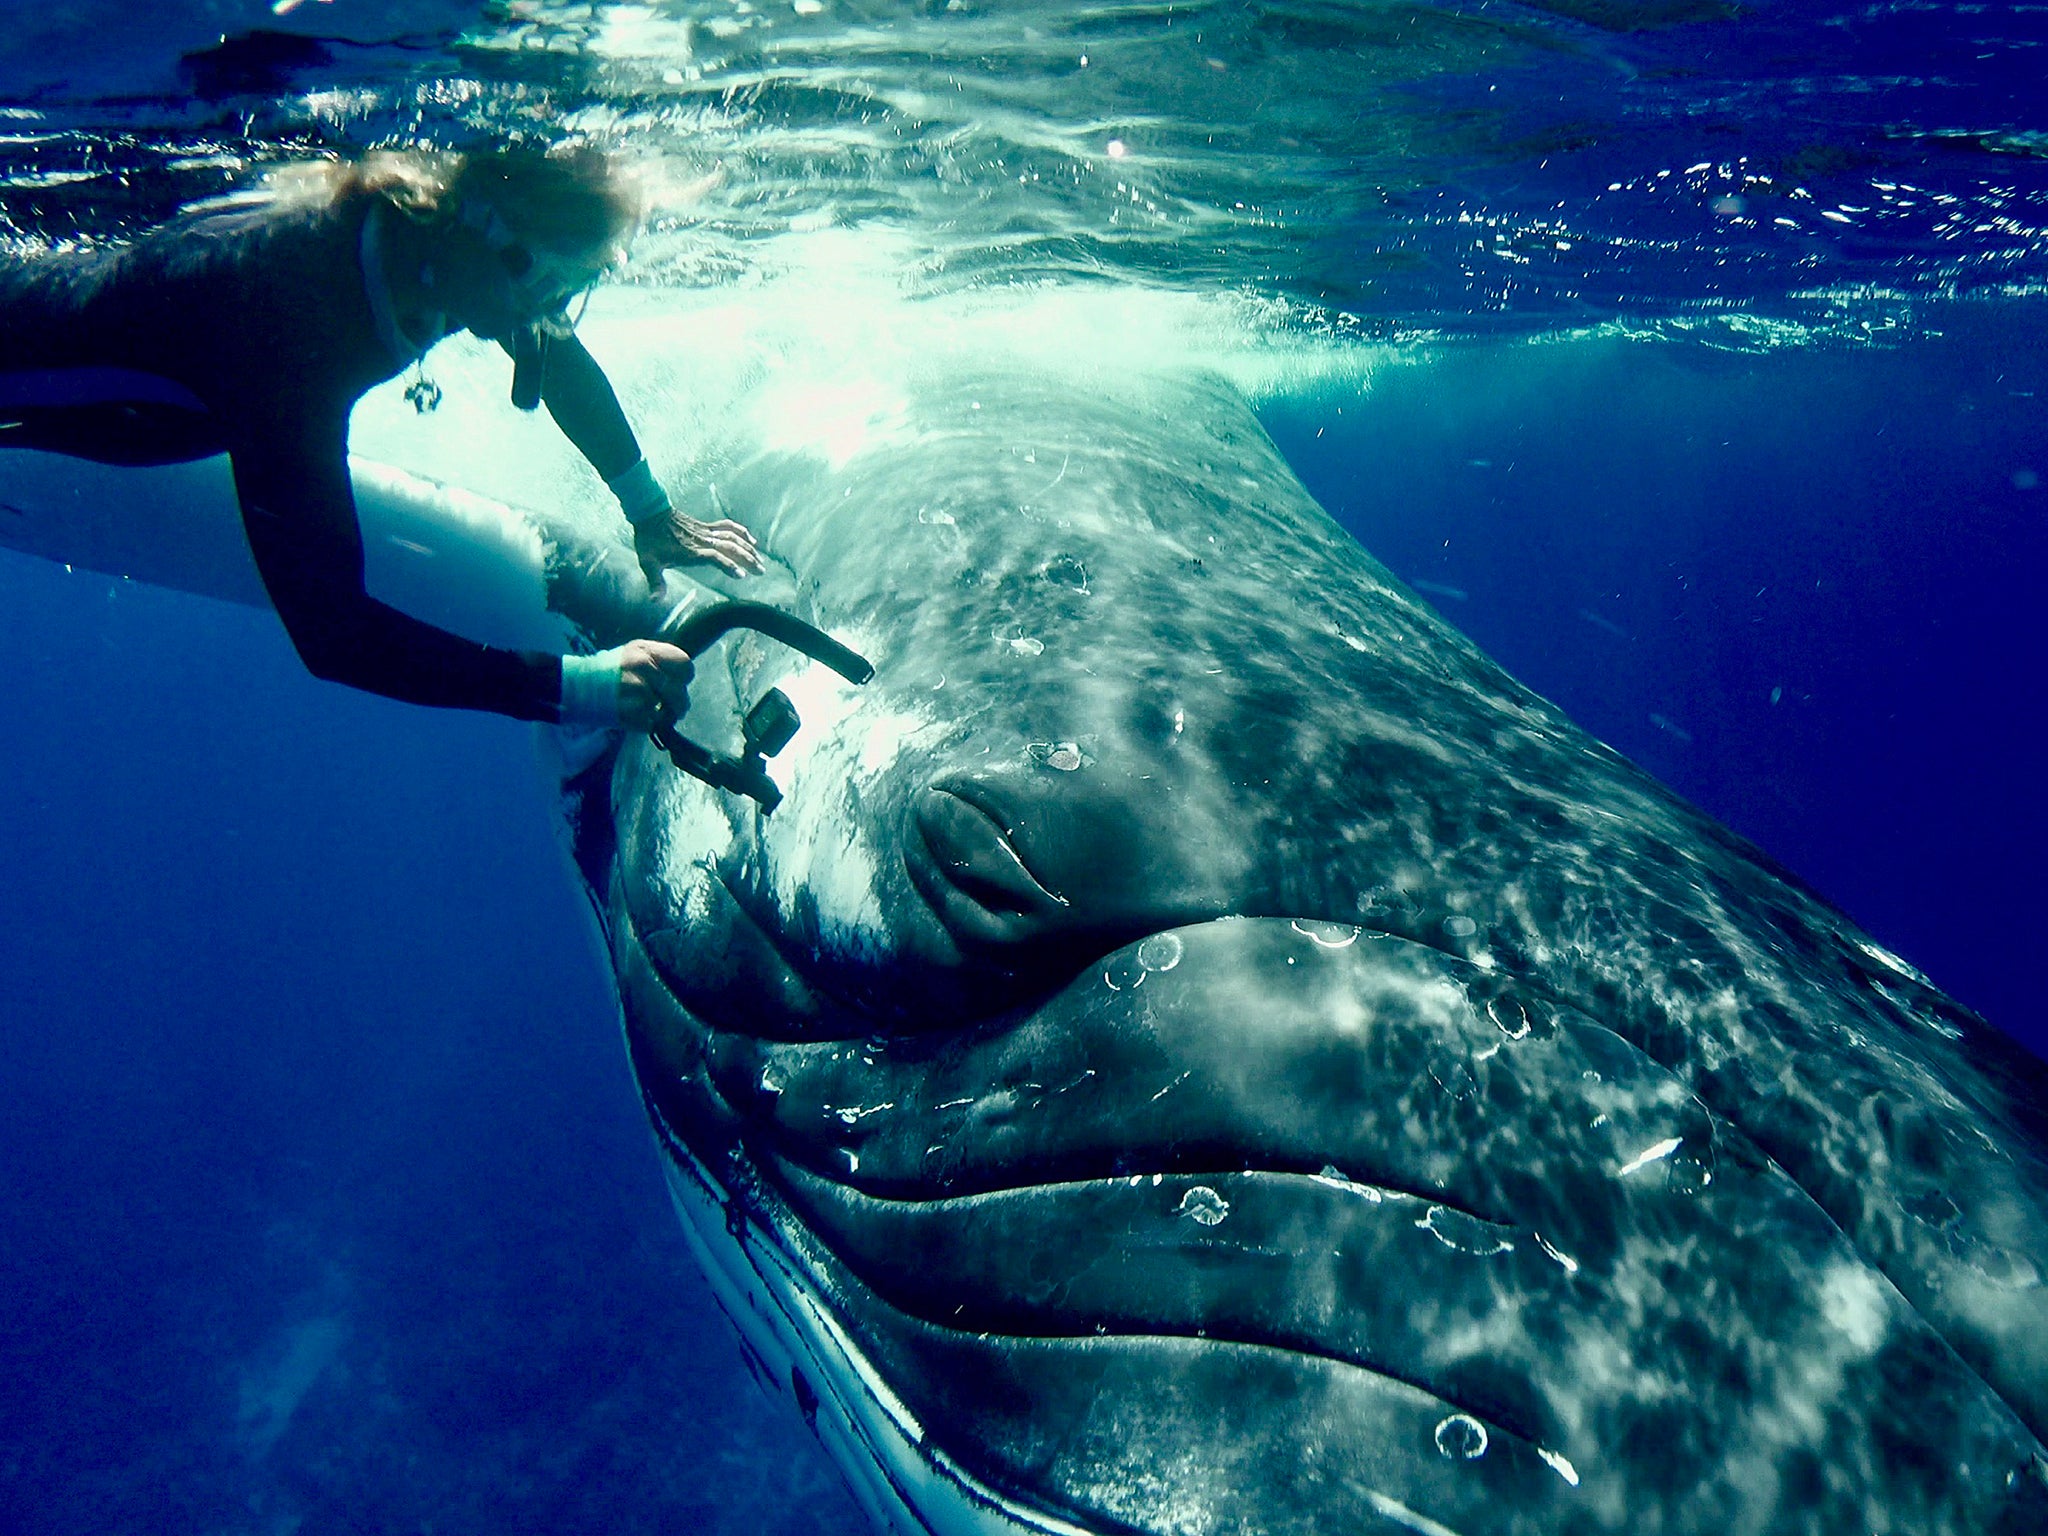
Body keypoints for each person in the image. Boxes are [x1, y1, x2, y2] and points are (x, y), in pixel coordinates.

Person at [0, 143, 761, 730]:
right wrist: (576, 686)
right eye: (550, 284)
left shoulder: (428, 247)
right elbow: (333, 635)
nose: (553, 311)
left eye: (576, 287)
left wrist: (650, 512)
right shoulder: (292, 331)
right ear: (482, 233)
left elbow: (554, 351)